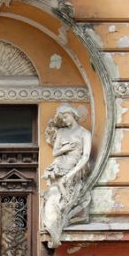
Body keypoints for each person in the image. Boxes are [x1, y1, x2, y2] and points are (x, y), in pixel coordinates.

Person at [42, 104, 92, 248]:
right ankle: (53, 230)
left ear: (73, 114)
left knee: (63, 197)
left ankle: (55, 231)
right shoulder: (62, 132)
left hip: (73, 167)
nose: (64, 120)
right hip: (59, 164)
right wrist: (66, 148)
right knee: (53, 195)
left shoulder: (84, 133)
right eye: (62, 118)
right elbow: (54, 152)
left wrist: (71, 174)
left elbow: (86, 157)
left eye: (66, 116)